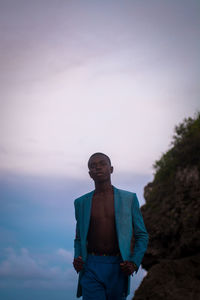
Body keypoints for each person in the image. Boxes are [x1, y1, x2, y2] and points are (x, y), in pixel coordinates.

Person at [73, 152, 148, 300]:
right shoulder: (81, 203)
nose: (97, 168)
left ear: (111, 169)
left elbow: (142, 235)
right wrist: (78, 258)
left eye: (102, 164)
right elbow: (78, 238)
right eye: (93, 166)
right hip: (91, 265)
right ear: (90, 174)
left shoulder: (129, 199)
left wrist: (134, 262)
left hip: (119, 265)